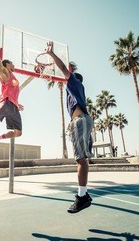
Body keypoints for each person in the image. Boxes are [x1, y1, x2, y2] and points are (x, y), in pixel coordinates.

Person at [46, 41, 94, 213]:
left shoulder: (74, 82)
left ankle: (83, 196)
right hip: (82, 120)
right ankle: (83, 194)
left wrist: (51, 55)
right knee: (82, 159)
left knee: (81, 159)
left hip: (80, 121)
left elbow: (64, 70)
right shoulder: (76, 90)